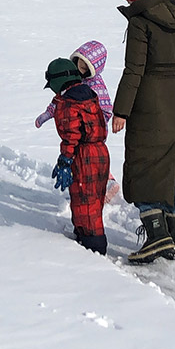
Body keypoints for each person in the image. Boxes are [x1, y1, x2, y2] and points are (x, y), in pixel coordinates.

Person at [111, 0, 175, 263]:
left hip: (148, 102)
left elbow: (134, 70)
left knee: (144, 165)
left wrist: (121, 111)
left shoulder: (140, 22)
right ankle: (174, 240)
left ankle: (156, 237)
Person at [36, 41, 120, 203]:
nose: (80, 71)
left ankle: (106, 184)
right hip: (78, 128)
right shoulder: (73, 81)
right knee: (81, 158)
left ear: (93, 69)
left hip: (93, 131)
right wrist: (48, 114)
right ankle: (83, 185)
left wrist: (94, 122)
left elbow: (106, 108)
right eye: (78, 65)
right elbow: (60, 99)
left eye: (84, 68)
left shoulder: (96, 85)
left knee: (89, 159)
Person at [44, 57, 110, 255]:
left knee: (84, 200)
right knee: (95, 198)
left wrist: (65, 160)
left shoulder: (67, 103)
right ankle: (85, 234)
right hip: (101, 152)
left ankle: (93, 245)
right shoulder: (90, 94)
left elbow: (71, 136)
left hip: (83, 156)